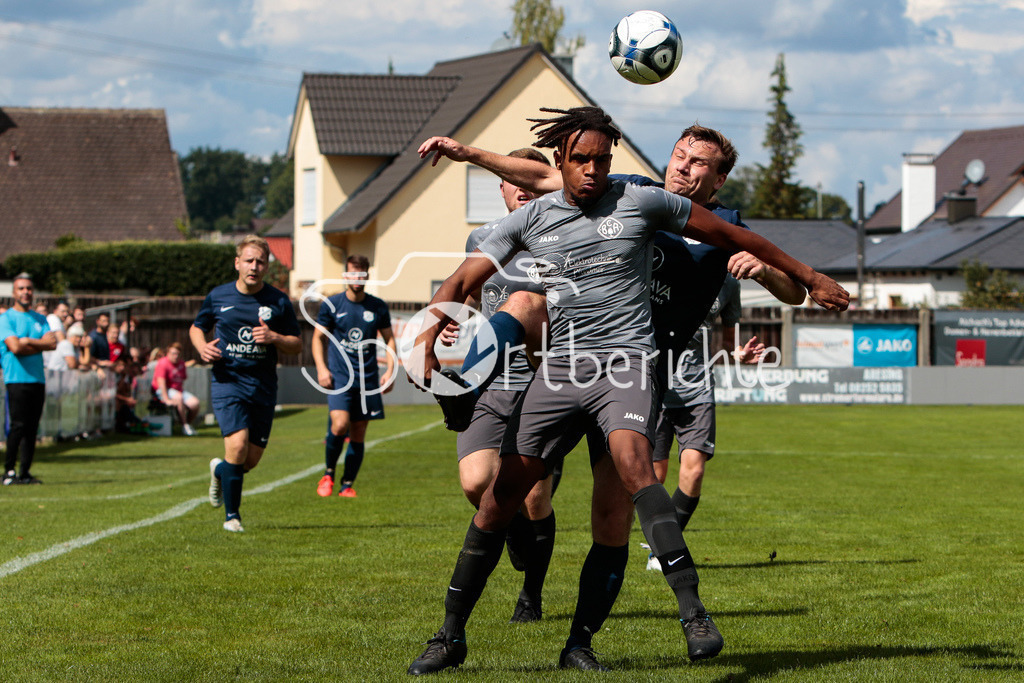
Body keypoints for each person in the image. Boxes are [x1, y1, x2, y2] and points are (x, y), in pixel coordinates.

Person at [405, 107, 848, 674]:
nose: (683, 167)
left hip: (633, 371)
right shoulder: (593, 199)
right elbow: (513, 210)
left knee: (621, 502)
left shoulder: (652, 205)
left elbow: (756, 252)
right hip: (562, 366)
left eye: (699, 163)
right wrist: (466, 155)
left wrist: (801, 277)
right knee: (500, 486)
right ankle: (449, 633)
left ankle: (599, 639)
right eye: (680, 155)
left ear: (718, 178)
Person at [447, 148, 557, 623]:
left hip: (545, 383)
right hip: (492, 382)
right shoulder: (483, 238)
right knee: (476, 483)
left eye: (532, 179)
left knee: (535, 497)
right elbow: (472, 293)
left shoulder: (562, 237)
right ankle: (512, 531)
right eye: (515, 180)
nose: (524, 187)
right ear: (503, 187)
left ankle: (531, 594)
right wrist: (454, 320)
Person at [189, 235, 301, 532]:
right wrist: (202, 348)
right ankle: (232, 517)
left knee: (248, 460)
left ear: (267, 266)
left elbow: (296, 344)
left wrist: (274, 337)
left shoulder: (278, 300)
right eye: (249, 261)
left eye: (260, 262)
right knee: (237, 446)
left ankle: (220, 471)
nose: (254, 266)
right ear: (237, 263)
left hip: (263, 385)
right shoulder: (219, 296)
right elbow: (197, 327)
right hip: (228, 381)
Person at [311, 254, 396, 498]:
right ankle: (328, 474)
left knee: (358, 432)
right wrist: (321, 369)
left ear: (367, 275)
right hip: (340, 377)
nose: (356, 278)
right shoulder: (333, 304)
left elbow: (389, 339)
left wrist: (390, 371)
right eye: (352, 273)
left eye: (361, 274)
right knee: (339, 425)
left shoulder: (377, 306)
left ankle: (346, 485)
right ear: (345, 275)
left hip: (367, 379)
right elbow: (317, 338)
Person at [1, 273, 58, 485]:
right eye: (21, 288)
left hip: (37, 379)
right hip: (16, 379)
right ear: (14, 292)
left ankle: (25, 472)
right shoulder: (6, 319)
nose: (26, 292)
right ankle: (9, 472)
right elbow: (15, 347)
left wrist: (26, 341)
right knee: (18, 426)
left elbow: (52, 344)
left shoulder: (40, 319)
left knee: (32, 428)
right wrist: (35, 344)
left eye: (29, 288)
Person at [152, 341, 200, 436]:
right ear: (168, 353)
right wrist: (166, 399)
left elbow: (182, 380)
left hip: (178, 391)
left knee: (195, 403)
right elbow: (161, 383)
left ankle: (187, 425)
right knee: (178, 397)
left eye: (178, 354)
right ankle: (184, 425)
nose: (176, 356)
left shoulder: (181, 364)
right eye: (173, 353)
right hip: (163, 390)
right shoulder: (163, 363)